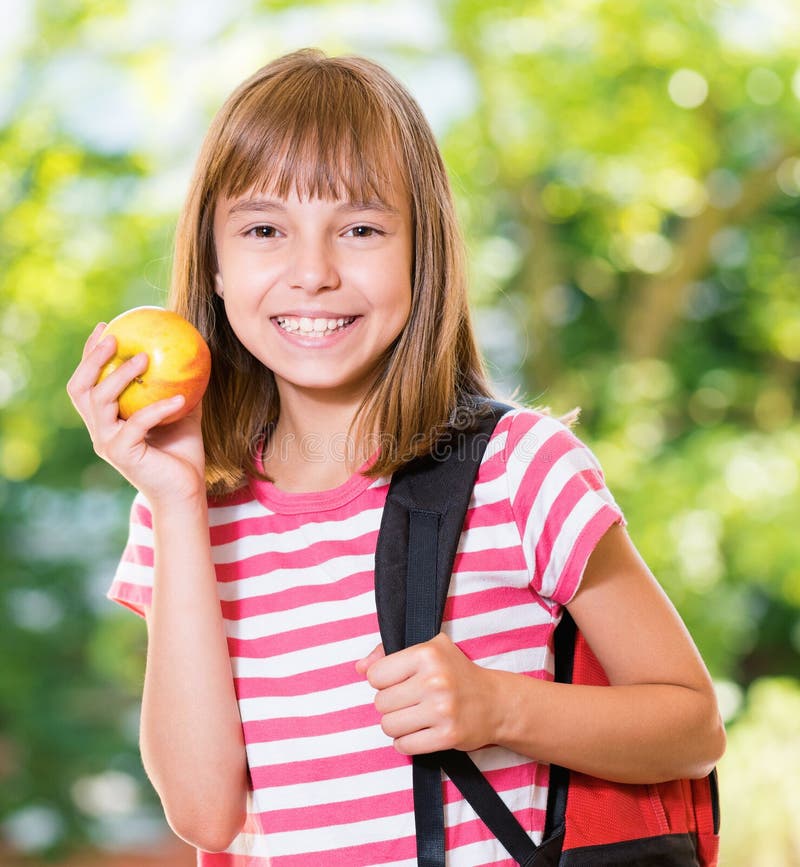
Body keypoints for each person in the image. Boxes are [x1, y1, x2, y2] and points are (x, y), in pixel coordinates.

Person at [67, 48, 725, 866]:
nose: (312, 272)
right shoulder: (185, 507)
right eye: (265, 229)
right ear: (214, 260)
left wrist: (500, 708)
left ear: (424, 250)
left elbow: (692, 726)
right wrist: (173, 500)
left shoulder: (521, 468)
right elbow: (204, 811)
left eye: (362, 229)